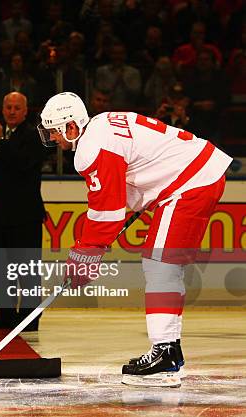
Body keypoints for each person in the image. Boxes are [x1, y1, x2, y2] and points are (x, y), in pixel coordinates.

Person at [37, 92, 232, 387]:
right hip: (195, 176)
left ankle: (166, 354)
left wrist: (84, 255)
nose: (53, 138)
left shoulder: (92, 148)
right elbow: (128, 183)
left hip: (190, 183)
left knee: (161, 265)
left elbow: (106, 211)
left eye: (55, 130)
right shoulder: (101, 126)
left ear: (71, 127)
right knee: (161, 265)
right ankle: (168, 350)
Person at [0, 91, 46, 330]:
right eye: (8, 106)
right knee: (1, 267)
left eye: (16, 107)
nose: (11, 111)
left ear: (25, 110)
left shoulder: (34, 135)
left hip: (24, 215)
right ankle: (4, 315)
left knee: (27, 268)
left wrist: (1, 142)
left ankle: (30, 319)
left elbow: (23, 164)